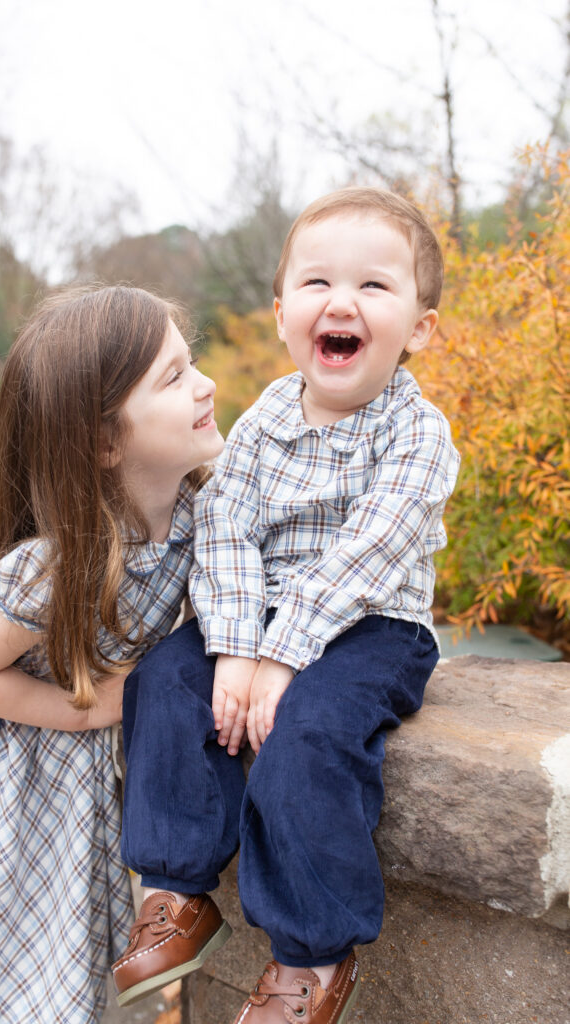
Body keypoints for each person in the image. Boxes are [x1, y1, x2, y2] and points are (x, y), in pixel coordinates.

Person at [113, 188, 460, 1023]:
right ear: (280, 315)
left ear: (418, 327)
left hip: (373, 626)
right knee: (163, 677)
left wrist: (281, 656)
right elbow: (223, 525)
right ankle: (178, 889)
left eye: (374, 287)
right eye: (316, 284)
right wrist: (233, 646)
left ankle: (311, 954)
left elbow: (367, 552)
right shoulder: (267, 414)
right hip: (256, 621)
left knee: (304, 733)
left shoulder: (417, 434)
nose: (340, 302)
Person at [0, 285, 224, 1024]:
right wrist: (84, 711)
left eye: (191, 360)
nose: (204, 384)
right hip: (9, 772)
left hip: (78, 779)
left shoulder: (208, 516)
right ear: (104, 442)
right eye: (173, 377)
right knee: (4, 955)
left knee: (64, 962)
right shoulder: (58, 565)